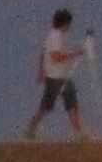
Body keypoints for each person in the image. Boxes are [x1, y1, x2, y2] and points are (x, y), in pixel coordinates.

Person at [24, 8, 88, 139]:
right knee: (46, 107)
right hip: (55, 78)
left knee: (71, 105)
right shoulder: (55, 37)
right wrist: (76, 53)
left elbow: (43, 53)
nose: (70, 26)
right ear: (65, 23)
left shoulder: (54, 36)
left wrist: (41, 71)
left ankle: (79, 133)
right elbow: (56, 57)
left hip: (62, 77)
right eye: (69, 23)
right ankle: (30, 130)